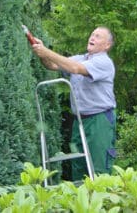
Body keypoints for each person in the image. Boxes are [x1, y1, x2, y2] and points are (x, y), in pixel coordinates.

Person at [32, 26, 117, 180]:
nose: (92, 37)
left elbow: (75, 69)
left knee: (99, 171)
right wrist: (41, 52)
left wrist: (46, 52)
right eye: (92, 34)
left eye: (98, 36)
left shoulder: (104, 62)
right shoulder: (81, 58)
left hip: (99, 121)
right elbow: (52, 65)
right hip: (79, 122)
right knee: (79, 168)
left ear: (107, 45)